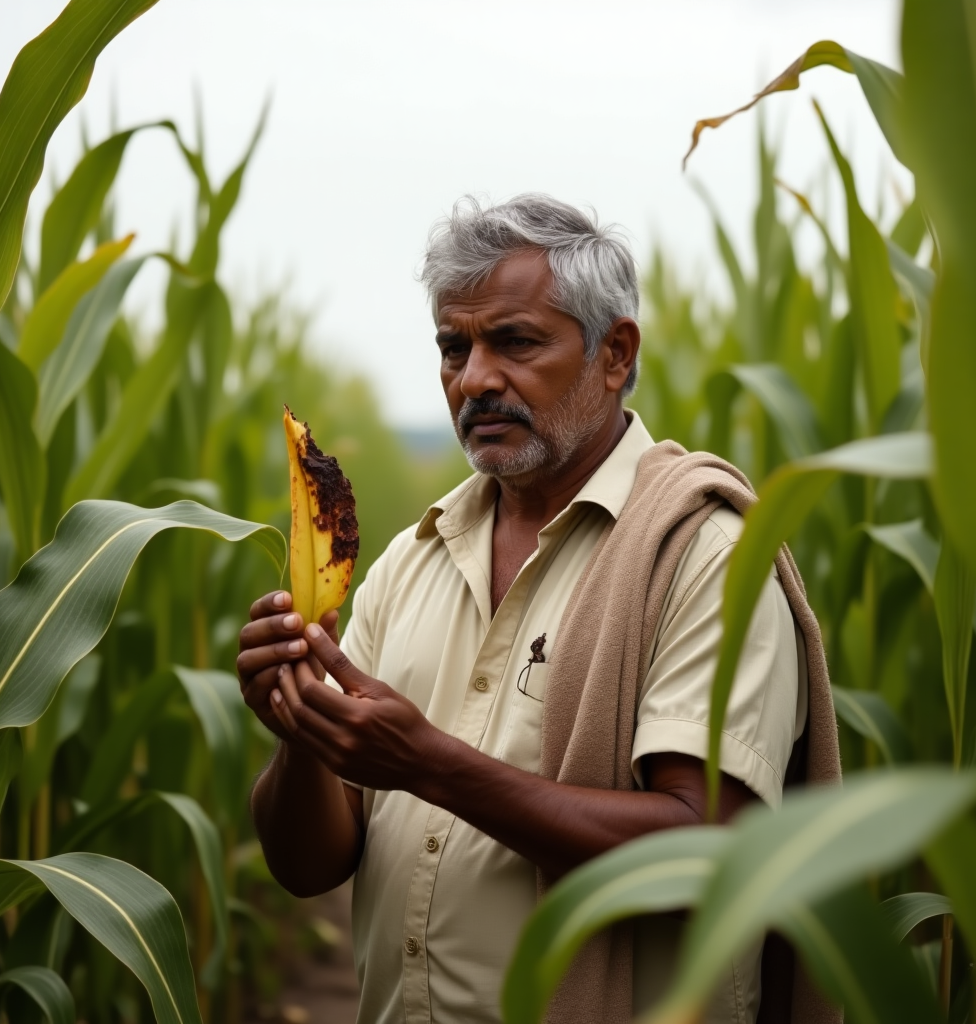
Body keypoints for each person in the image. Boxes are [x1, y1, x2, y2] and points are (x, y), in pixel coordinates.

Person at [237, 195, 824, 1024]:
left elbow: (710, 851)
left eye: (514, 341)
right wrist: (299, 734)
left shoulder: (704, 557)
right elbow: (310, 866)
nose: (474, 379)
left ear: (614, 353)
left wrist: (430, 763)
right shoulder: (413, 560)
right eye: (453, 347)